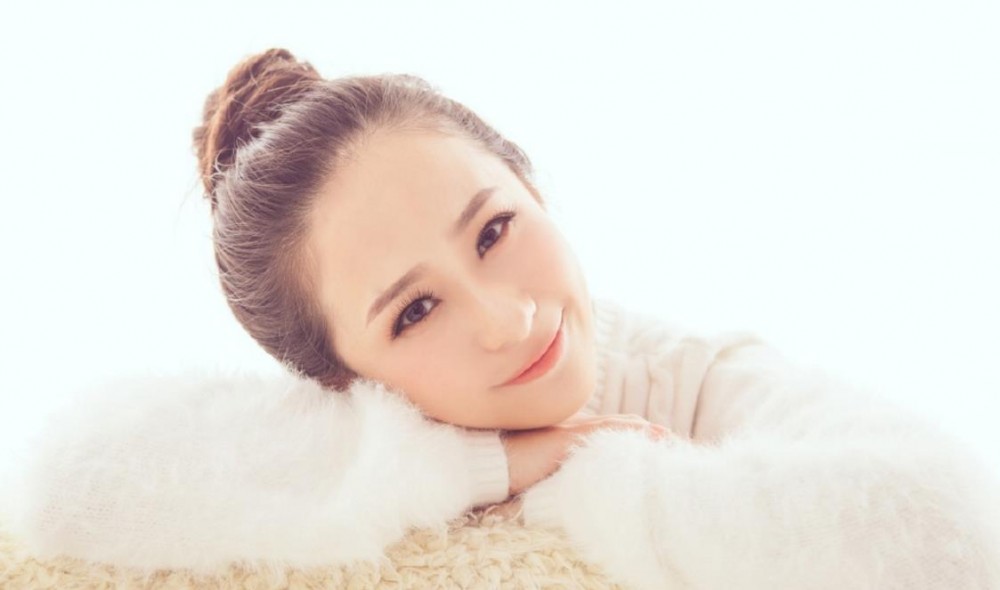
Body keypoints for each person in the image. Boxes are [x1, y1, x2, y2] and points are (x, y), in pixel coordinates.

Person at [10, 48, 999, 588]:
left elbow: (945, 525)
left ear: (531, 185)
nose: (506, 317)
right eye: (415, 309)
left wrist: (600, 468)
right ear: (340, 376)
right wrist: (498, 467)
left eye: (493, 229)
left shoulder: (686, 372)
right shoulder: (350, 431)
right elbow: (70, 483)